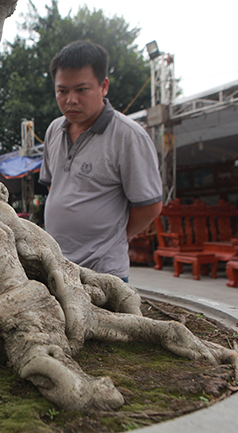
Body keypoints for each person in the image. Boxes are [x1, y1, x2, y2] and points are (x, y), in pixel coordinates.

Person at [39, 40, 162, 282]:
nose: (70, 100)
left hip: (104, 272)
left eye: (81, 90)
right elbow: (54, 187)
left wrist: (113, 238)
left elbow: (150, 207)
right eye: (62, 91)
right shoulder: (54, 130)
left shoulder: (128, 136)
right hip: (57, 267)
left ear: (104, 86)